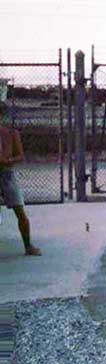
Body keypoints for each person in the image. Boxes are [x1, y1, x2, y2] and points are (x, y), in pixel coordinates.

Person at [0, 107, 41, 256]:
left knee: (20, 210)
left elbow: (20, 156)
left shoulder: (11, 134)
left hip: (7, 174)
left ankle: (28, 245)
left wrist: (7, 160)